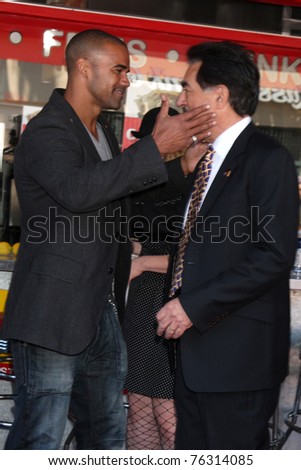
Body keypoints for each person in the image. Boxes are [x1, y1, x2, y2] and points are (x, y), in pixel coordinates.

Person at [0, 29, 216, 450]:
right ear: (83, 67)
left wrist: (181, 168)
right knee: (40, 436)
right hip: (52, 316)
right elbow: (78, 191)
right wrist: (155, 148)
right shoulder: (48, 131)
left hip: (101, 309)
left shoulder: (100, 134)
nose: (126, 80)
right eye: (119, 69)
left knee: (106, 434)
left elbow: (118, 204)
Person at [156, 40, 299, 450]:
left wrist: (191, 306)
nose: (181, 99)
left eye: (188, 89)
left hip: (238, 361)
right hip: (193, 355)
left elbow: (273, 256)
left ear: (218, 95)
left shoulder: (267, 158)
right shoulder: (207, 159)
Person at [123, 106, 205, 450]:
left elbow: (201, 257)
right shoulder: (143, 185)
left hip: (180, 305)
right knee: (140, 413)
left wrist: (141, 264)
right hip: (144, 305)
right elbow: (131, 236)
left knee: (171, 421)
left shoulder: (200, 182)